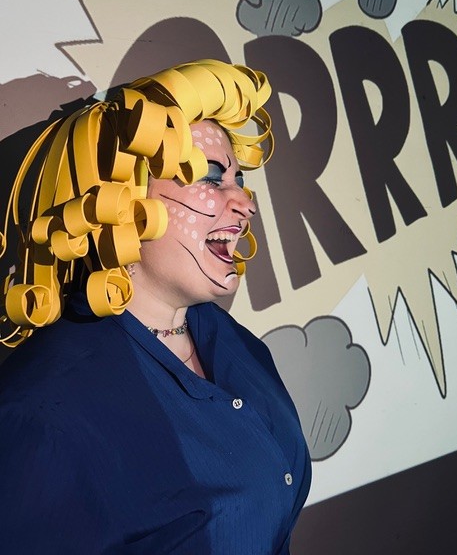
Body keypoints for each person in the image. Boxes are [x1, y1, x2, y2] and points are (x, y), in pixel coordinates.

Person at [0, 60, 311, 554]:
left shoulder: (231, 341)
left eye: (238, 178)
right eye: (209, 179)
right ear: (120, 199)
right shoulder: (41, 410)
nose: (245, 203)